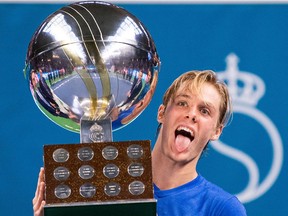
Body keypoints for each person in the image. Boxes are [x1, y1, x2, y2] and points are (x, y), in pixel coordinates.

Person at [33, 70, 246, 216]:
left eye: (204, 110)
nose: (191, 114)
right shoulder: (105, 186)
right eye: (182, 103)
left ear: (216, 131)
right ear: (162, 113)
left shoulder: (221, 208)